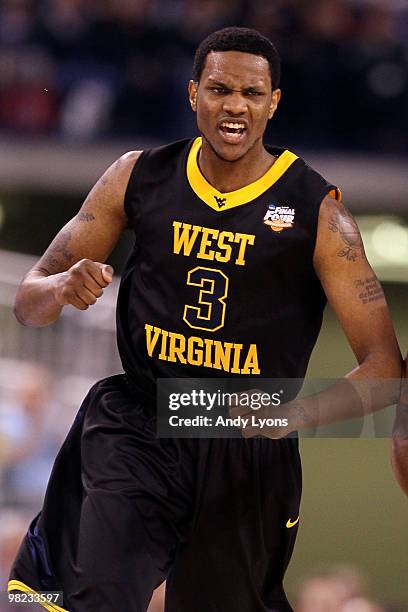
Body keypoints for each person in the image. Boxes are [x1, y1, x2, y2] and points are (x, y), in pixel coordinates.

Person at [8, 27, 401, 612]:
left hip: (245, 442)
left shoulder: (319, 213)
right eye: (219, 89)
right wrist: (63, 286)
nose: (234, 105)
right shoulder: (136, 176)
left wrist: (298, 413)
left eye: (251, 92)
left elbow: (384, 366)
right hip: (143, 419)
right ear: (194, 94)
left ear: (274, 102)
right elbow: (27, 302)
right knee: (100, 593)